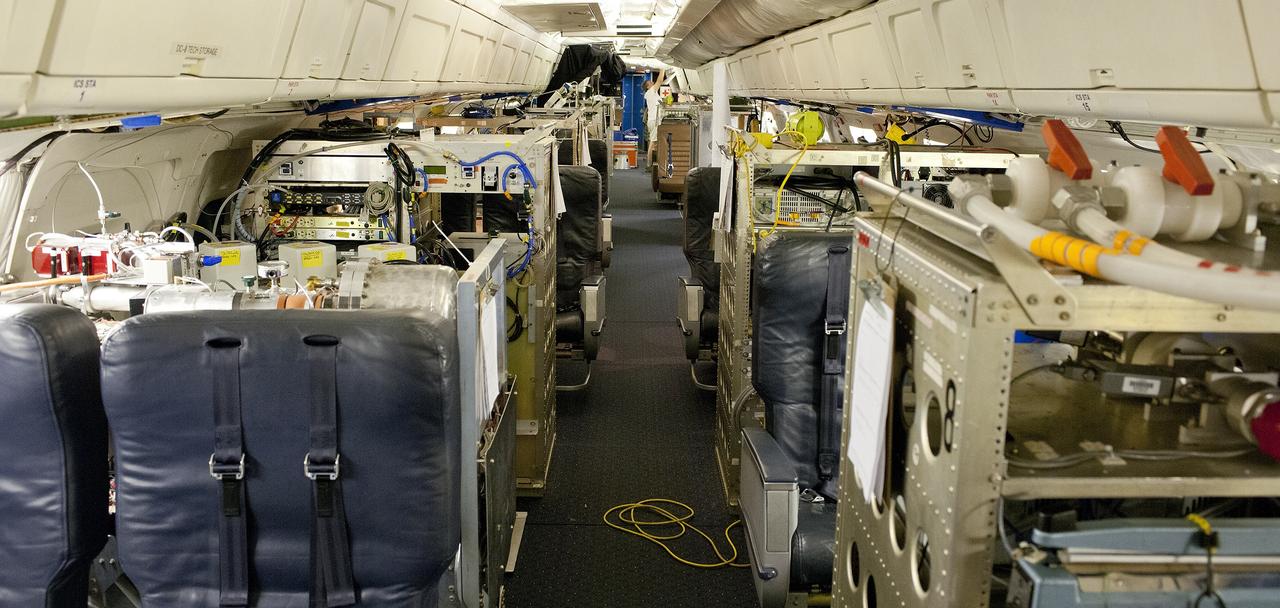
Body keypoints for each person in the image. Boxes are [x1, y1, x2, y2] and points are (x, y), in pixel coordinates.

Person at [643, 68, 665, 167]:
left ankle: (652, 163)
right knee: (653, 142)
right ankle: (649, 164)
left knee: (654, 142)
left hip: (653, 120)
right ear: (648, 86)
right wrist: (662, 68)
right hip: (654, 120)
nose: (653, 83)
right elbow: (659, 81)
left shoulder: (652, 94)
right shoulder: (651, 91)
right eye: (651, 82)